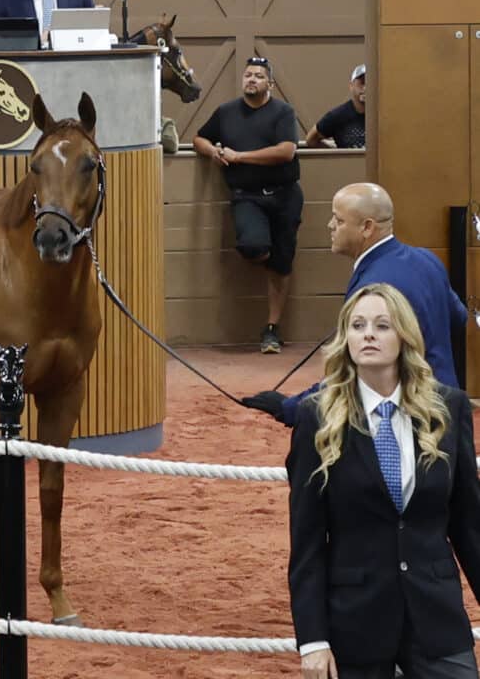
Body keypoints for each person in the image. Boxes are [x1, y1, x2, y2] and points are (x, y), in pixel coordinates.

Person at [286, 283, 480, 679]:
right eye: (357, 326)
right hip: (354, 629)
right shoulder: (316, 419)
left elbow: (469, 526)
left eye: (381, 325)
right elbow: (307, 542)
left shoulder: (449, 408)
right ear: (346, 339)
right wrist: (313, 640)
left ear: (404, 337)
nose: (368, 334)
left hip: (437, 624)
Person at [243, 183, 467, 425]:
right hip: (446, 406)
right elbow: (459, 317)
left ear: (367, 227)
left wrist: (292, 407)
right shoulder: (427, 260)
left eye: (338, 221)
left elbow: (353, 370)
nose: (330, 226)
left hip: (409, 416)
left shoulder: (372, 290)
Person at [192, 56, 302, 354]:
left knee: (282, 265)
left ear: (270, 84)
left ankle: (271, 329)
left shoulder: (283, 112)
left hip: (284, 195)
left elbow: (286, 151)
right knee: (253, 246)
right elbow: (199, 137)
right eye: (248, 75)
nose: (251, 80)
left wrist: (239, 156)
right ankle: (267, 256)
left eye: (258, 76)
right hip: (247, 195)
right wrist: (212, 151)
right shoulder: (226, 112)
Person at [306, 64, 366, 148]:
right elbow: (311, 139)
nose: (365, 87)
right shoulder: (338, 115)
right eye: (362, 82)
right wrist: (335, 155)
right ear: (351, 86)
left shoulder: (385, 114)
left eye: (371, 83)